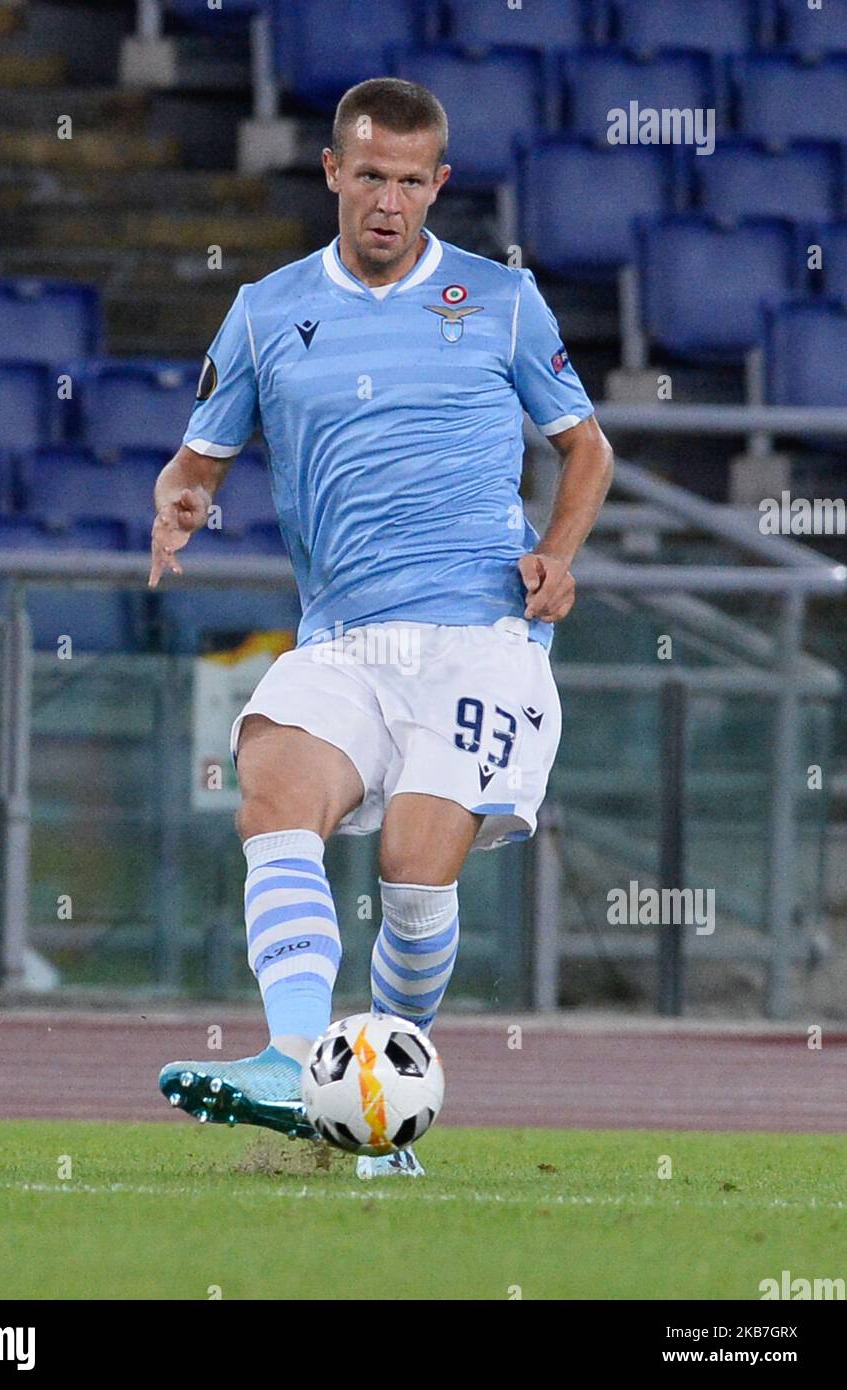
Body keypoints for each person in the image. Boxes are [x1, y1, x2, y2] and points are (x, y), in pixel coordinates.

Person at [151, 78, 613, 1178]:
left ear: (437, 185)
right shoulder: (264, 310)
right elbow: (199, 459)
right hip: (343, 638)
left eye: (411, 181)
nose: (389, 201)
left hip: (481, 637)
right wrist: (179, 499)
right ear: (333, 174)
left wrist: (560, 553)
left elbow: (585, 449)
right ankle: (291, 1055)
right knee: (273, 780)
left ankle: (382, 1112)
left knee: (414, 867)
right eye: (370, 176)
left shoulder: (501, 300)